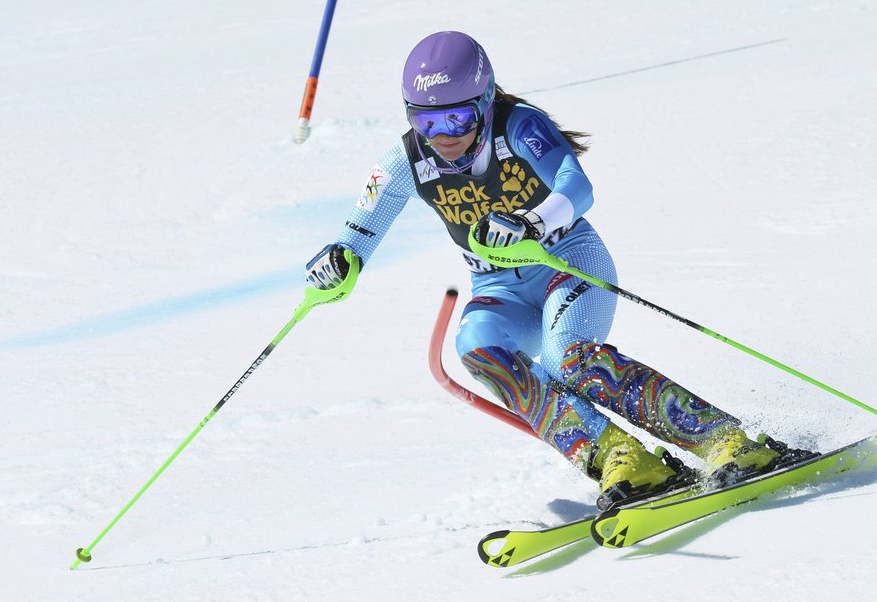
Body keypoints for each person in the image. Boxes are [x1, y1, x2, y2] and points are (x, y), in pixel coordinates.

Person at [306, 31, 816, 509]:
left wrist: (532, 221)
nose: (443, 137)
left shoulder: (518, 125)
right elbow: (361, 230)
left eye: (457, 120)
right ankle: (622, 459)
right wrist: (340, 260)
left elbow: (578, 187)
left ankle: (727, 441)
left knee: (567, 360)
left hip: (565, 261)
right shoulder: (404, 160)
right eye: (426, 122)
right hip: (499, 286)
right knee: (477, 350)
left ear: (484, 103)